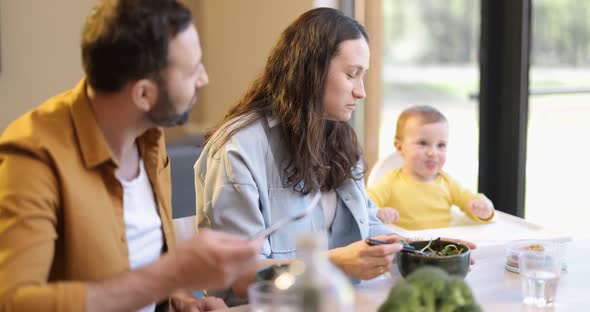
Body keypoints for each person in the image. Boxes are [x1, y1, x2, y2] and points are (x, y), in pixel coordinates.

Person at [0, 1, 261, 311]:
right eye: (192, 70)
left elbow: (146, 266)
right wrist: (169, 275)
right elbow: (14, 302)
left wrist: (180, 300)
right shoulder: (34, 155)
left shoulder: (149, 136)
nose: (203, 79)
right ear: (143, 94)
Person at [194, 7, 403, 303]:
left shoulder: (338, 135)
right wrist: (334, 263)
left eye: (363, 76)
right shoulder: (238, 148)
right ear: (311, 70)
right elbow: (235, 277)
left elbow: (368, 223)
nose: (361, 92)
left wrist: (417, 251)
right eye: (351, 75)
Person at [367, 105, 495, 230]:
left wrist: (482, 209)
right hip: (406, 246)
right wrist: (379, 213)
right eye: (423, 143)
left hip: (441, 248)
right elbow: (366, 205)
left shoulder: (448, 183)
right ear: (399, 147)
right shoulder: (390, 181)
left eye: (441, 145)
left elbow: (469, 199)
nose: (432, 153)